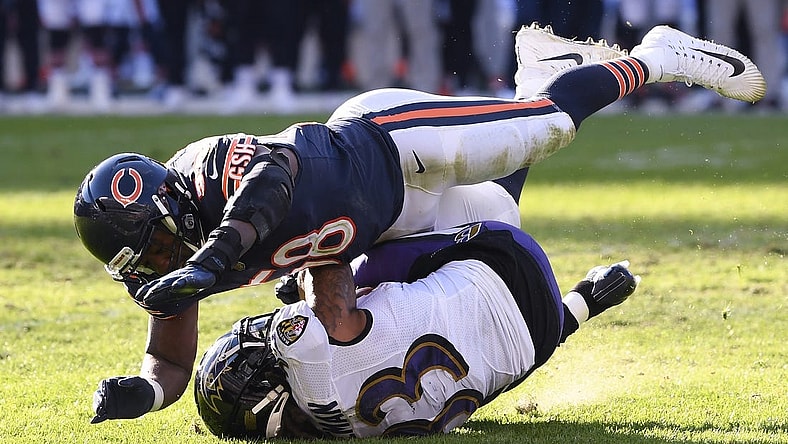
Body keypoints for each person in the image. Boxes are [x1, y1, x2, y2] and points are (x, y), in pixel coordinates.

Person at [83, 24, 765, 426]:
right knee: (500, 216)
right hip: (382, 225)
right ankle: (547, 69)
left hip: (389, 145)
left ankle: (659, 55)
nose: (160, 263)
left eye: (160, 246)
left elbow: (277, 177)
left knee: (548, 129)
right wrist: (141, 393)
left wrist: (208, 262)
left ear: (168, 208)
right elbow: (171, 360)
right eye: (146, 261)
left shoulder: (207, 175)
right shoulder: (176, 258)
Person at [189, 220, 641, 438]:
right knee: (364, 237)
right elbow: (331, 256)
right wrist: (300, 275)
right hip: (506, 264)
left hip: (536, 340)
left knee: (473, 368)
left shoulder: (343, 430)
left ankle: (585, 302)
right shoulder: (320, 341)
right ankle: (521, 132)